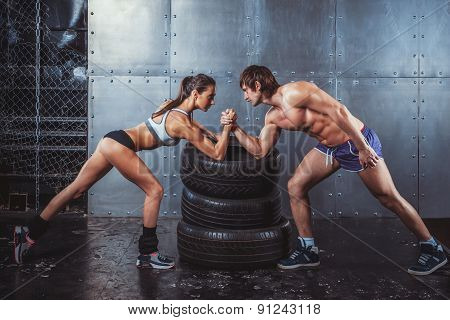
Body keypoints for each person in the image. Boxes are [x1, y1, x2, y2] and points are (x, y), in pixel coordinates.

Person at [220, 65, 447, 276]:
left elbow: (338, 110)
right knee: (295, 186)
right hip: (329, 149)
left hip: (355, 142)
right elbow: (260, 150)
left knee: (388, 198)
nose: (245, 97)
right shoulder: (272, 117)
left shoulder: (296, 91)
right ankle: (308, 250)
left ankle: (432, 248)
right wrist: (235, 128)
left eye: (245, 90)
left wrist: (362, 147)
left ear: (257, 85)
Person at [14, 74, 235, 269]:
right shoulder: (180, 122)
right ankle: (148, 254)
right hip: (120, 146)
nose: (213, 101)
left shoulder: (173, 107)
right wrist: (226, 128)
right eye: (211, 96)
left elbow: (195, 129)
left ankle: (29, 233)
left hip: (112, 139)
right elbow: (217, 154)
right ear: (196, 94)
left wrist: (211, 132)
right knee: (155, 191)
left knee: (76, 190)